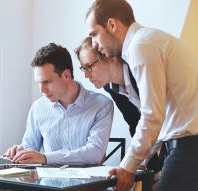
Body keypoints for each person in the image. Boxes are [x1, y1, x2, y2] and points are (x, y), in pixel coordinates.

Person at [85, 0, 198, 190]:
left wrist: (127, 167)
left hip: (189, 147)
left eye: (94, 34)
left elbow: (152, 116)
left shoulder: (141, 46)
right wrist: (136, 163)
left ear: (112, 25)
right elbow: (160, 120)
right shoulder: (148, 40)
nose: (94, 45)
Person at [4, 43, 114, 166]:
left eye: (47, 82)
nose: (42, 90)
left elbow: (95, 153)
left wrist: (46, 158)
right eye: (39, 83)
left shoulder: (102, 105)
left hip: (87, 185)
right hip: (46, 185)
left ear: (66, 75)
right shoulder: (38, 107)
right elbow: (30, 147)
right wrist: (20, 152)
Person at [75, 36, 164, 174]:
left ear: (109, 58)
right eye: (83, 68)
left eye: (89, 67)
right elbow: (134, 122)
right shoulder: (110, 86)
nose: (86, 75)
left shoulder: (139, 71)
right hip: (160, 135)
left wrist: (135, 161)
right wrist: (147, 166)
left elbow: (156, 119)